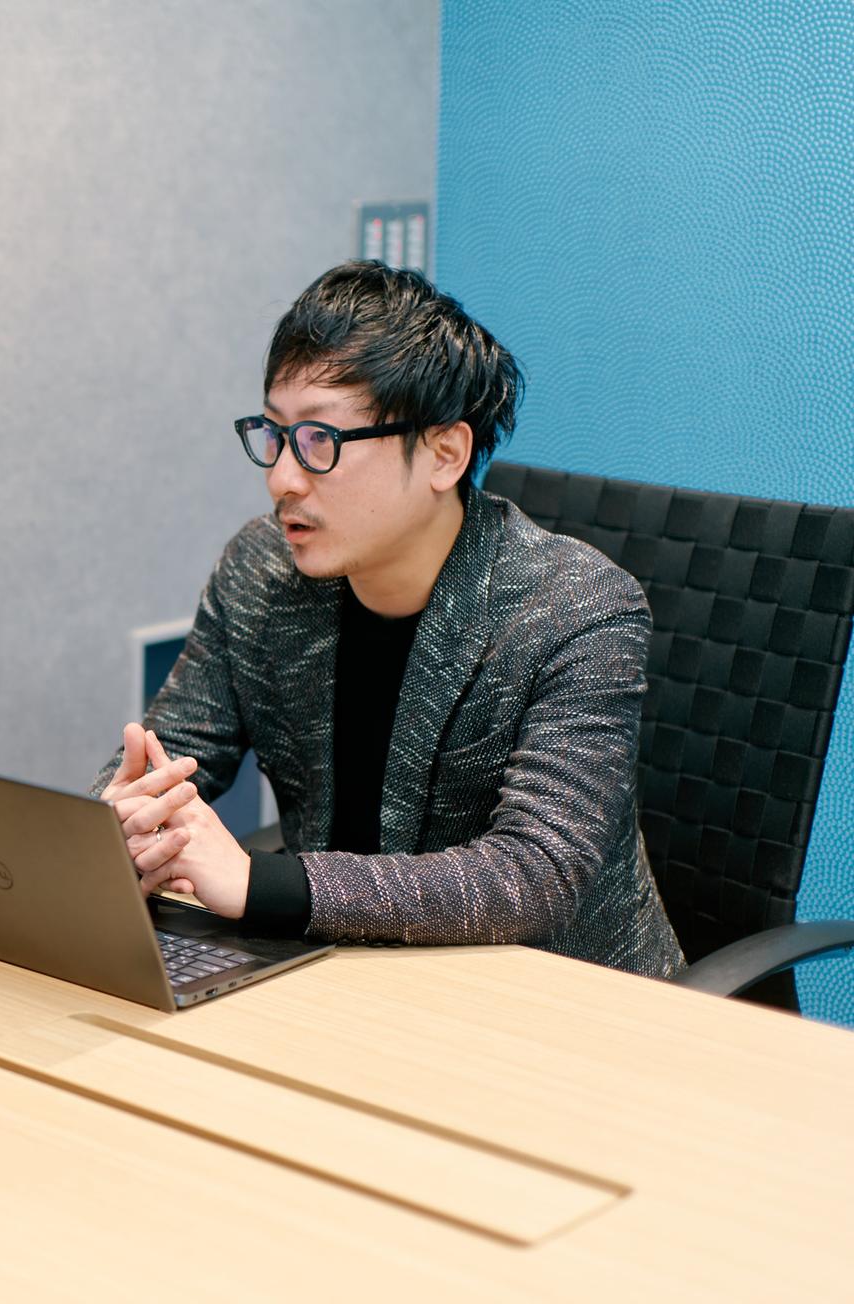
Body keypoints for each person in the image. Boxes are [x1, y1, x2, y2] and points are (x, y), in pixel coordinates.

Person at [96, 262, 683, 977]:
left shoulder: (575, 607)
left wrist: (259, 883)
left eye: (319, 440)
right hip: (339, 973)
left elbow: (534, 874)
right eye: (275, 435)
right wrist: (122, 822)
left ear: (444, 454)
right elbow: (172, 753)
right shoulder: (261, 571)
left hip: (553, 998)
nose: (282, 478)